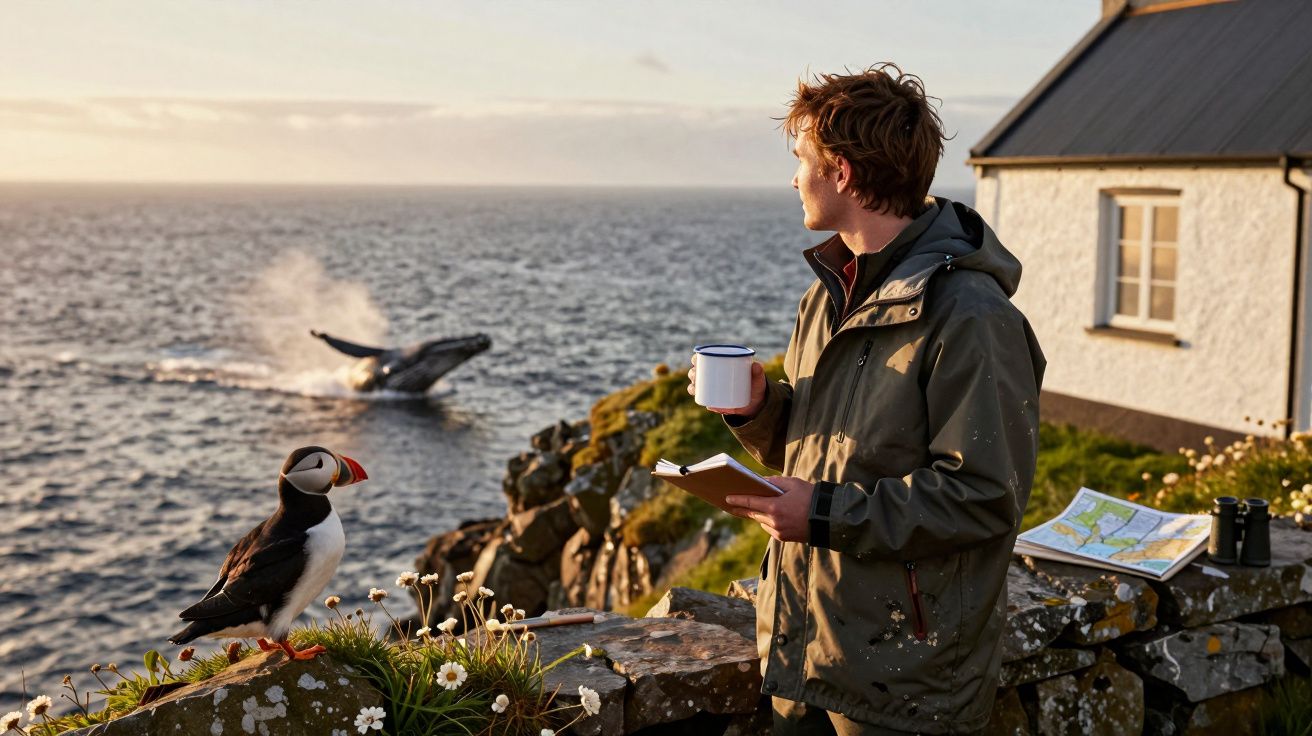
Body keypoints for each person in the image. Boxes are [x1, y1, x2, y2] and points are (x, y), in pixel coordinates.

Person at [688, 64, 1045, 735]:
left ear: (843, 173)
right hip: (804, 656)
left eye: (802, 161)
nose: (794, 179)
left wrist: (821, 513)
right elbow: (825, 449)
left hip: (904, 687)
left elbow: (983, 497)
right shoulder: (826, 295)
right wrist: (758, 410)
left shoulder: (972, 316)